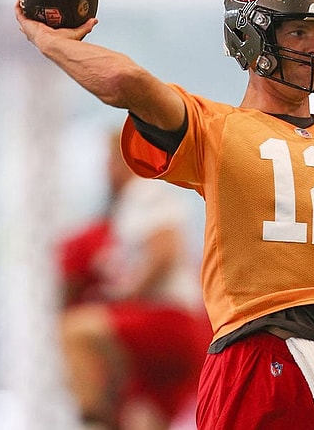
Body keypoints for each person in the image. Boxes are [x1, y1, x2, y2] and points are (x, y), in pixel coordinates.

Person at [17, 0, 314, 429]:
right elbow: (127, 83)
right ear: (251, 38)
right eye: (299, 30)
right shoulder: (217, 128)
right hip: (257, 349)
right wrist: (50, 41)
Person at [57, 131, 209, 430]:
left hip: (167, 320)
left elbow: (165, 251)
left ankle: (94, 420)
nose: (106, 170)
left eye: (110, 161)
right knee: (142, 419)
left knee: (75, 331)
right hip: (169, 330)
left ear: (126, 159)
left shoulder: (147, 192)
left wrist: (127, 294)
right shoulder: (127, 208)